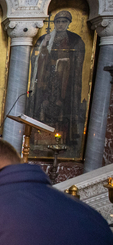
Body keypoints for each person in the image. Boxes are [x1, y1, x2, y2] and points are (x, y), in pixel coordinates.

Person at [27, 10, 86, 147]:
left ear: (68, 23)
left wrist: (65, 62)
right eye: (58, 22)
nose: (60, 25)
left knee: (62, 106)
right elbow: (36, 59)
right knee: (44, 103)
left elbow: (78, 61)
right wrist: (43, 46)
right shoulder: (45, 39)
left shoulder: (74, 40)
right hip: (46, 78)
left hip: (65, 80)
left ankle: (63, 137)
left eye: (63, 22)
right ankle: (40, 134)